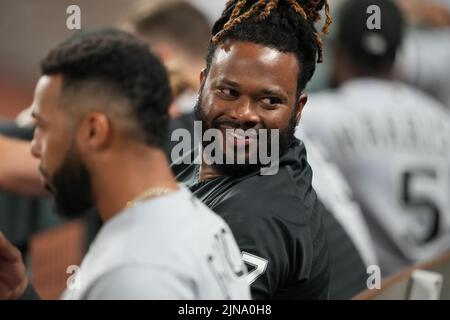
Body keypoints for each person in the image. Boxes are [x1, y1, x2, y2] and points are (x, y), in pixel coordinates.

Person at [0, 30, 250, 300]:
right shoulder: (190, 221)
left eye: (42, 128)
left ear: (94, 131)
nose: (36, 147)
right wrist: (20, 293)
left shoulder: (134, 270)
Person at [172, 0, 337, 299]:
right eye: (228, 92)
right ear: (202, 85)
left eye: (270, 101)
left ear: (297, 110)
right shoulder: (204, 154)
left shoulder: (254, 221)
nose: (243, 114)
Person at [301, 0, 450, 276]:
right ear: (399, 58)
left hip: (374, 287)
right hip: (441, 283)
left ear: (341, 54)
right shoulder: (443, 120)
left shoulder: (316, 117)